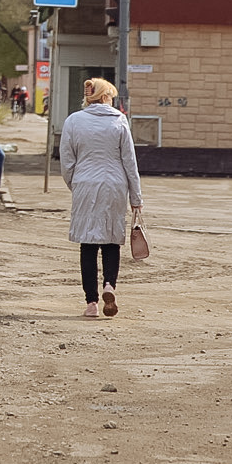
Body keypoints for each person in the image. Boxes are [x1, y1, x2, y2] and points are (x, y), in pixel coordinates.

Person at [59, 77, 143, 318]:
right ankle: (109, 284)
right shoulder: (119, 121)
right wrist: (136, 197)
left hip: (85, 183)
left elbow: (67, 160)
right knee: (111, 239)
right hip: (115, 185)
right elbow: (129, 161)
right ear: (107, 96)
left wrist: (75, 183)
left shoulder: (73, 121)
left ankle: (91, 303)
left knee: (88, 243)